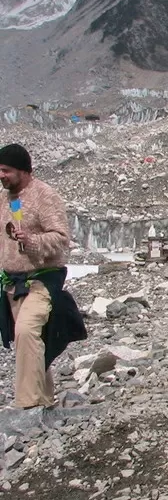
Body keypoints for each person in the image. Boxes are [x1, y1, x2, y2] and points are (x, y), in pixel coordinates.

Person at [0, 143, 87, 409]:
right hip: (13, 283)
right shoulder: (3, 199)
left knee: (27, 332)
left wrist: (33, 240)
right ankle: (45, 400)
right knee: (29, 341)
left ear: (24, 171)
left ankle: (27, 406)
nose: (1, 175)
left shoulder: (45, 196)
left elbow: (61, 239)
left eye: (6, 170)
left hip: (41, 280)